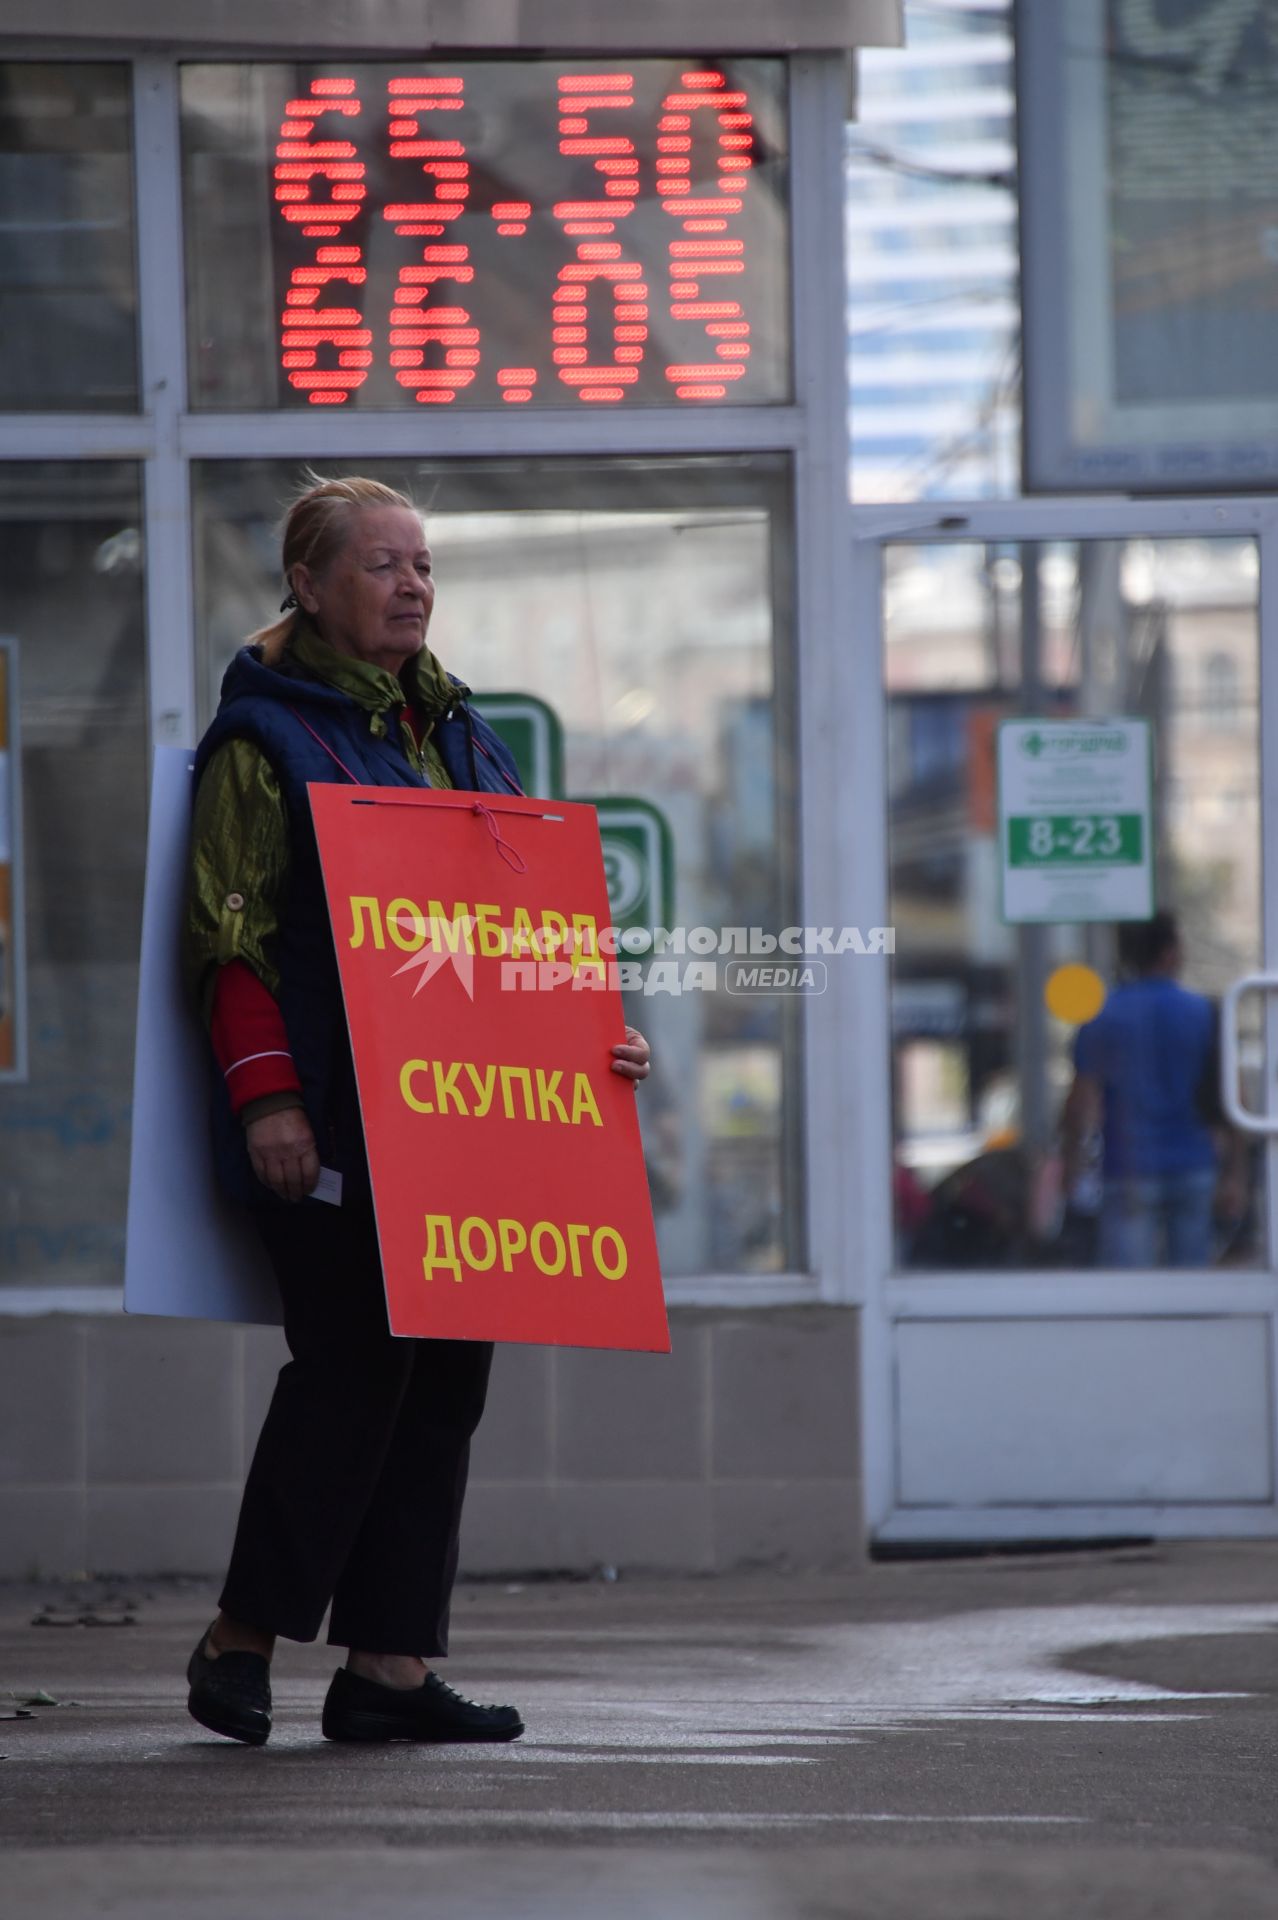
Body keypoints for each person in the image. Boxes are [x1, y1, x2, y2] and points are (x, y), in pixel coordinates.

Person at [182, 475, 651, 1747]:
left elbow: (525, 931)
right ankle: (239, 1641)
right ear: (308, 585)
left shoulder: (457, 734)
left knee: (444, 1386)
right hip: (333, 1128)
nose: (413, 586)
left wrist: (591, 1037)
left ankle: (385, 1674)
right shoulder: (261, 743)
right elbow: (232, 949)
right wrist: (268, 1102)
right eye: (383, 565)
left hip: (464, 1134)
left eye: (425, 565)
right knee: (355, 1368)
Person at [1060, 911, 1244, 1268]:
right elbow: (1235, 1099)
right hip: (1194, 1163)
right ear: (1170, 953)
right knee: (1191, 1285)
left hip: (1128, 1168)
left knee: (1131, 1291)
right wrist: (1236, 1173)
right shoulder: (1204, 1013)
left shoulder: (1103, 1015)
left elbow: (1080, 1103)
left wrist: (1072, 1168)